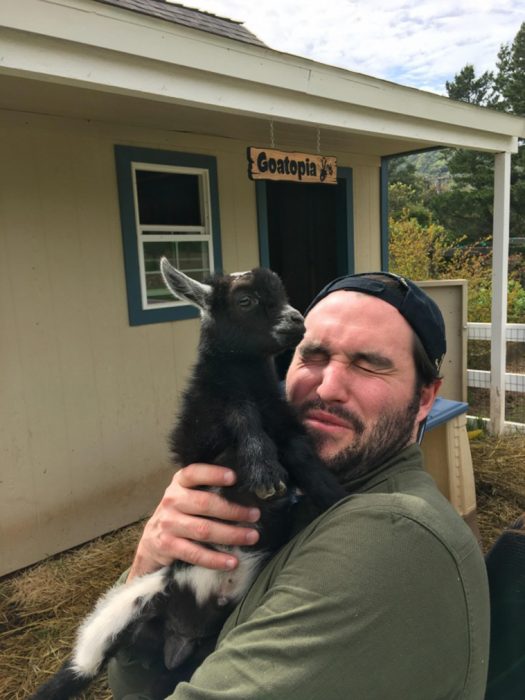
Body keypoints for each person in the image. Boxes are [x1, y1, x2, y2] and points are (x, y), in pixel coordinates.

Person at [108, 272, 490, 700]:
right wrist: (148, 569)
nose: (327, 387)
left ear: (424, 399)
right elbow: (134, 679)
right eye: (312, 355)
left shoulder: (391, 534)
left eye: (368, 364)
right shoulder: (287, 501)